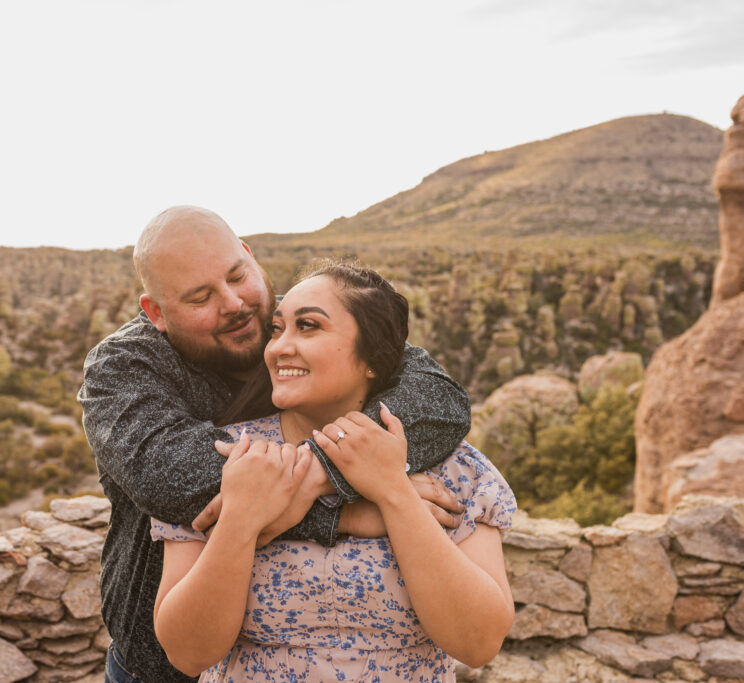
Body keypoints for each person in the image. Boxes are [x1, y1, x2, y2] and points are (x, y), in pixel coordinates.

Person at [78, 207, 472, 683]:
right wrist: (346, 509)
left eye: (237, 275)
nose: (234, 304)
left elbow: (438, 401)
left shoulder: (299, 322)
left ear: (249, 255)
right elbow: (171, 476)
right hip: (158, 666)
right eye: (201, 297)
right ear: (156, 312)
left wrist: (318, 473)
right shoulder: (123, 365)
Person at [152, 262, 516, 681]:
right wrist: (239, 519)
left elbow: (478, 643)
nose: (279, 347)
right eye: (277, 328)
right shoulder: (225, 458)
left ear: (373, 359)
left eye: (308, 326)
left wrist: (393, 492)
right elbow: (187, 653)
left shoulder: (455, 468)